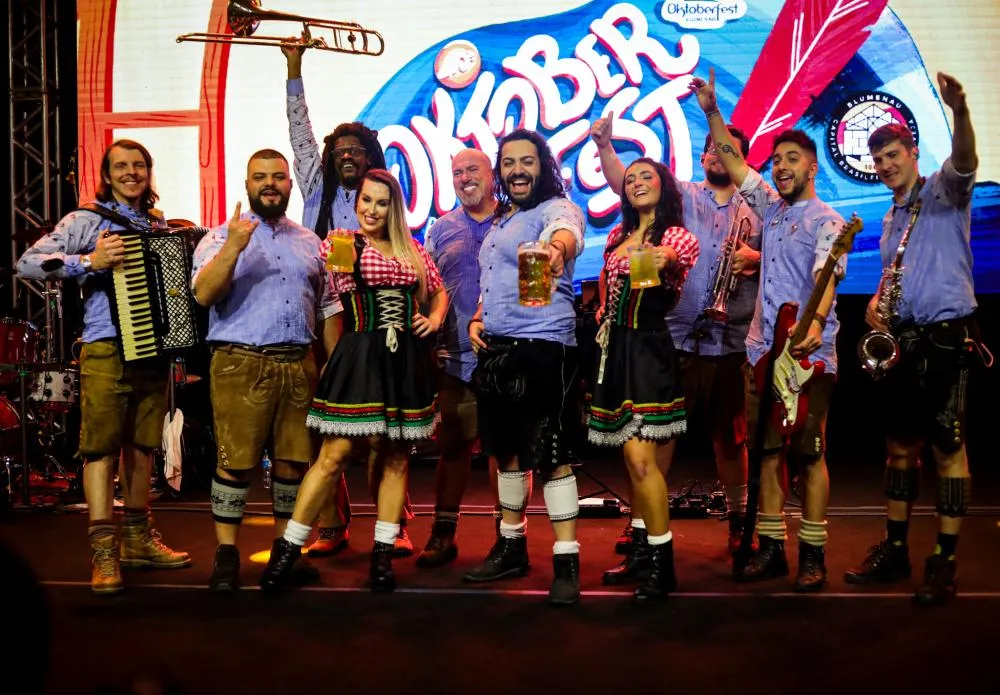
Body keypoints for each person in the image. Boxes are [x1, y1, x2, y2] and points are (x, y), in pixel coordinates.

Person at [690, 69, 846, 591]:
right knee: (767, 455)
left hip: (808, 355)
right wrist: (713, 111)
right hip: (761, 352)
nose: (780, 167)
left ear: (812, 167)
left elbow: (826, 279)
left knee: (810, 454)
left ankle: (813, 555)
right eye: (776, 160)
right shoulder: (769, 209)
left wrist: (815, 323)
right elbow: (734, 163)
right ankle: (774, 549)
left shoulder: (827, 221)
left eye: (791, 159)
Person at [259, 169, 449, 593]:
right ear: (356, 201)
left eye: (382, 202)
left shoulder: (413, 249)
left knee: (396, 457)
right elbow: (332, 292)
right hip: (361, 353)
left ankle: (382, 555)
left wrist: (434, 319)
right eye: (366, 200)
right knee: (334, 455)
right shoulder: (343, 243)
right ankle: (287, 552)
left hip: (404, 360)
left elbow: (438, 291)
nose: (372, 210)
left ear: (394, 208)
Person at [16, 139, 190, 594]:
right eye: (122, 166)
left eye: (139, 165)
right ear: (108, 175)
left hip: (151, 349)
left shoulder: (156, 224)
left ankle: (137, 540)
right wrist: (89, 261)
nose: (132, 172)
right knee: (100, 449)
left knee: (142, 447)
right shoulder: (86, 219)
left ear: (148, 172)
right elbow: (27, 264)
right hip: (106, 347)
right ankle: (104, 552)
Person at [591, 113, 761, 556]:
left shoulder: (759, 206)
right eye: (712, 148)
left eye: (729, 150)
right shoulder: (682, 196)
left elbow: (784, 257)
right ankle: (643, 524)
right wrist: (605, 148)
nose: (719, 154)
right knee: (656, 437)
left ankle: (739, 520)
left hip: (731, 337)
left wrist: (757, 258)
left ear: (742, 159)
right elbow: (627, 182)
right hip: (677, 335)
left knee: (731, 438)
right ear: (703, 157)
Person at [844, 73, 984, 605]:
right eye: (878, 159)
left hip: (946, 339)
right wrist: (877, 305)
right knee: (899, 447)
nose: (885, 165)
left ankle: (944, 561)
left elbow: (966, 158)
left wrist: (960, 109)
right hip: (903, 342)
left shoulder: (944, 191)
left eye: (893, 155)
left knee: (948, 448)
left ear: (913, 153)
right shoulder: (889, 218)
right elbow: (896, 275)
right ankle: (896, 550)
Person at [281, 33, 413, 558]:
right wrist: (294, 68)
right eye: (339, 152)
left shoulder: (382, 200)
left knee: (383, 432)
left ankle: (392, 523)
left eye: (355, 150)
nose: (345, 157)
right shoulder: (318, 187)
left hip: (370, 327)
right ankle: (332, 526)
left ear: (370, 156)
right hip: (320, 319)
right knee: (324, 429)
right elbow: (300, 136)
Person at [191, 149, 343, 592]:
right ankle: (226, 555)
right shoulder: (219, 237)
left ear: (290, 184)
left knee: (292, 464)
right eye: (260, 177)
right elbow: (203, 295)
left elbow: (328, 307)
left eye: (278, 176)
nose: (270, 184)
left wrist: (333, 364)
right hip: (240, 362)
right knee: (235, 465)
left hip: (297, 363)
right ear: (247, 184)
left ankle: (284, 552)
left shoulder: (310, 241)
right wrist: (235, 246)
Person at [462, 129, 586, 606]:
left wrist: (557, 249)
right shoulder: (502, 220)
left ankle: (566, 562)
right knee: (508, 454)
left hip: (544, 347)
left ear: (543, 166)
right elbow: (493, 281)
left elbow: (566, 232)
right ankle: (511, 547)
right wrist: (478, 317)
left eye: (527, 161)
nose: (517, 170)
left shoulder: (556, 208)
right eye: (509, 162)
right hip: (498, 347)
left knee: (551, 455)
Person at [586, 157, 699, 599]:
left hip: (649, 350)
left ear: (663, 185)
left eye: (645, 176)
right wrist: (602, 309)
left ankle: (662, 564)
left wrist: (658, 255)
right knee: (633, 461)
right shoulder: (617, 235)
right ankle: (641, 551)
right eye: (629, 179)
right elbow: (607, 281)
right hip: (616, 351)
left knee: (641, 460)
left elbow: (671, 258)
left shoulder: (676, 235)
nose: (636, 183)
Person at [417, 148, 501, 567]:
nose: (464, 178)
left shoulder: (515, 221)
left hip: (505, 355)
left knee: (506, 452)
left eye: (472, 170)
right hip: (455, 357)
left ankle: (509, 537)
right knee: (453, 448)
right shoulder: (440, 229)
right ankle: (442, 533)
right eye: (456, 172)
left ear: (492, 174)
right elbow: (428, 289)